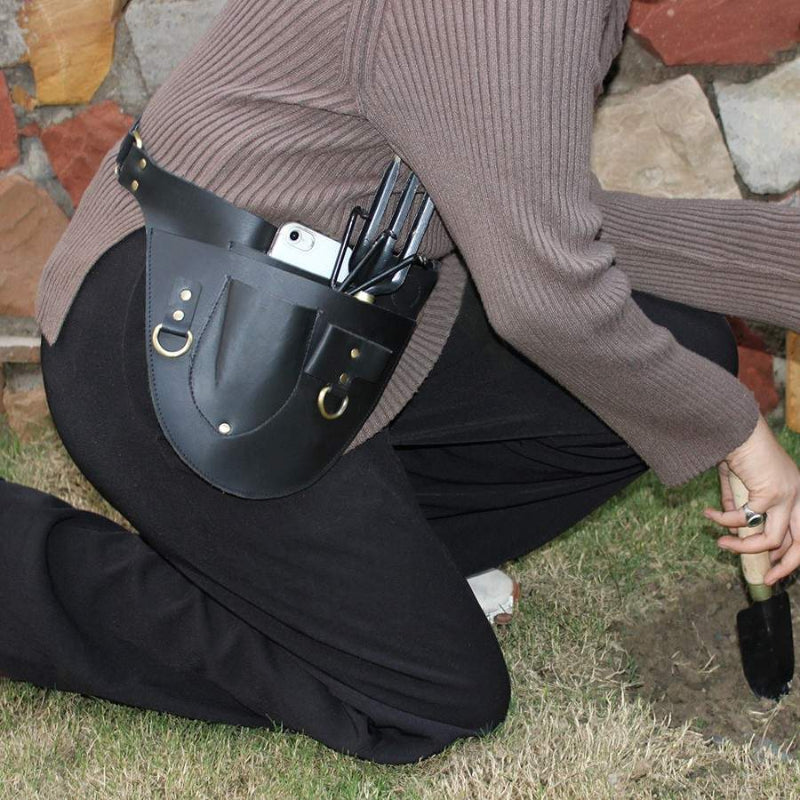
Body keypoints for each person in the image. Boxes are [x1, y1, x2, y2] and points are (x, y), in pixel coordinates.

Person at [1, 0, 799, 765]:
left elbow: (535, 220)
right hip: (179, 341)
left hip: (334, 327)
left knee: (685, 351)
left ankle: (326, 579)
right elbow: (546, 300)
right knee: (436, 693)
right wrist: (735, 430)